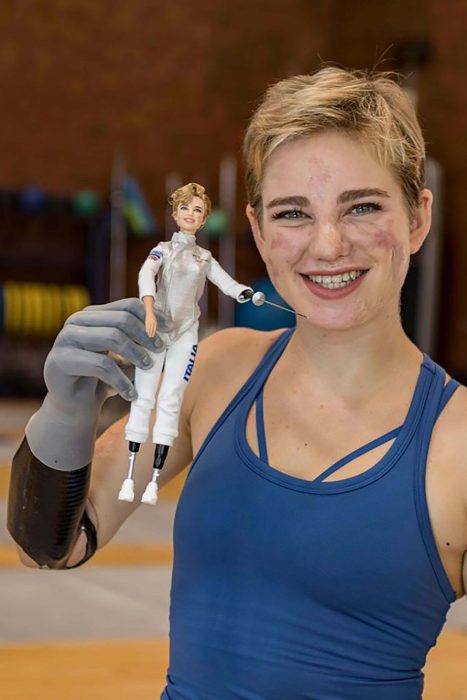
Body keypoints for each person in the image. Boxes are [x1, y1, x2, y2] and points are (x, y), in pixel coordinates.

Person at [7, 66, 467, 699]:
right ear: (258, 232)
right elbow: (50, 548)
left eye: (362, 207)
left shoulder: (456, 444)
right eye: (293, 213)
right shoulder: (216, 370)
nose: (327, 244)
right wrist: (64, 410)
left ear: (418, 218)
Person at [121, 181, 252, 504]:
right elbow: (145, 274)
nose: (190, 214)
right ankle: (129, 474)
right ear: (175, 213)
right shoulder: (162, 249)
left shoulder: (204, 257)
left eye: (197, 210)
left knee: (172, 396)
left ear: (204, 219)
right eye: (184, 208)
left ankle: (154, 480)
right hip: (157, 328)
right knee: (144, 393)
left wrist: (244, 292)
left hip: (185, 333)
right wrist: (148, 309)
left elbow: (226, 282)